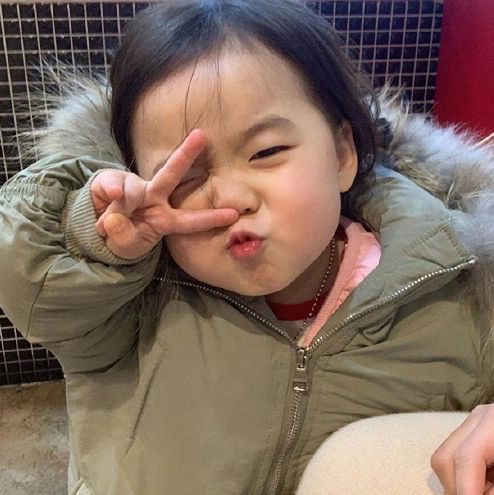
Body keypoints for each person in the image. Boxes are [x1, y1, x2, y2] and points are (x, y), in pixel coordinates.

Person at [0, 0, 492, 493]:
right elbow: (30, 283)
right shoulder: (127, 301)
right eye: (184, 175)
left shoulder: (456, 285)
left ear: (343, 153)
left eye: (267, 152)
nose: (231, 197)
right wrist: (95, 238)